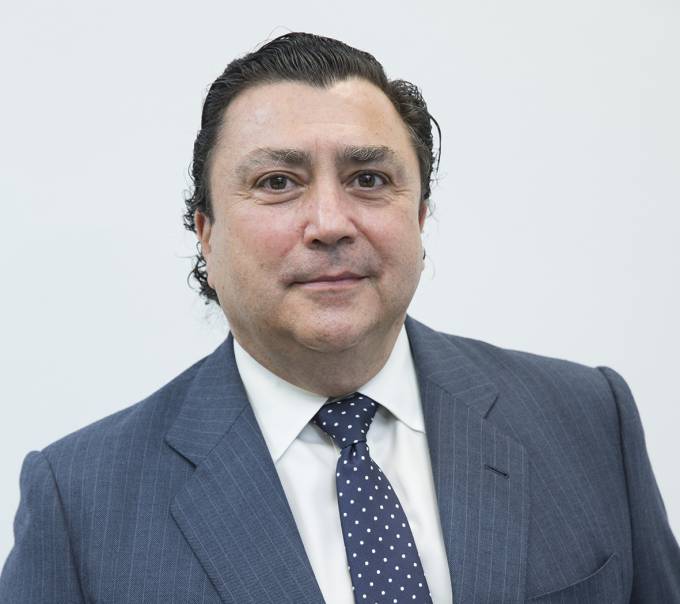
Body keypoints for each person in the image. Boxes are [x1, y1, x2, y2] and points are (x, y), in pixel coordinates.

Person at [1, 32, 678, 604]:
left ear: (419, 216)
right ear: (205, 233)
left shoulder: (590, 419)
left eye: (368, 179)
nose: (330, 222)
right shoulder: (79, 502)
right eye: (277, 183)